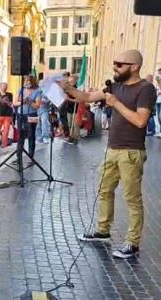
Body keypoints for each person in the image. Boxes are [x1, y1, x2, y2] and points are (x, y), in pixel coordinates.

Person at [60, 49, 157, 259]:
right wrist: (69, 88)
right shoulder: (115, 87)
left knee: (132, 198)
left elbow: (141, 121)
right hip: (113, 150)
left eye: (119, 64)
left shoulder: (146, 89)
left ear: (134, 67)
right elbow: (85, 97)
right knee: (104, 190)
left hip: (131, 152)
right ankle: (103, 230)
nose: (114, 67)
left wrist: (116, 104)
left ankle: (133, 243)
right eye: (114, 63)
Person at [13, 75, 42, 163]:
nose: (27, 83)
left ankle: (31, 157)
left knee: (31, 135)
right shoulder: (21, 90)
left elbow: (37, 106)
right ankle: (19, 157)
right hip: (20, 114)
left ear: (32, 82)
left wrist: (29, 102)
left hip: (32, 114)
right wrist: (22, 102)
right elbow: (15, 102)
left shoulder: (38, 91)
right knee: (20, 135)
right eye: (26, 81)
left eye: (28, 81)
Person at [0, 83, 14, 148]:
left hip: (7, 115)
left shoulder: (10, 94)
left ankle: (4, 143)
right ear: (0, 87)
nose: (5, 88)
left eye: (6, 86)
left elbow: (11, 105)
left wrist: (6, 101)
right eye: (3, 86)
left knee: (6, 130)